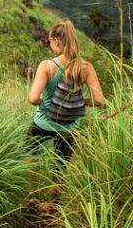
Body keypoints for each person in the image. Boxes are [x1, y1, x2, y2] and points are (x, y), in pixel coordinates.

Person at [26, 19, 104, 159]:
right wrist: (81, 101)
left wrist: (42, 101)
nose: (51, 46)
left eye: (50, 42)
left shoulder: (47, 66)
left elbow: (33, 99)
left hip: (43, 123)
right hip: (69, 128)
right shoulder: (86, 67)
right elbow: (98, 101)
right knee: (60, 171)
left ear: (56, 40)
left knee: (29, 158)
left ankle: (33, 179)